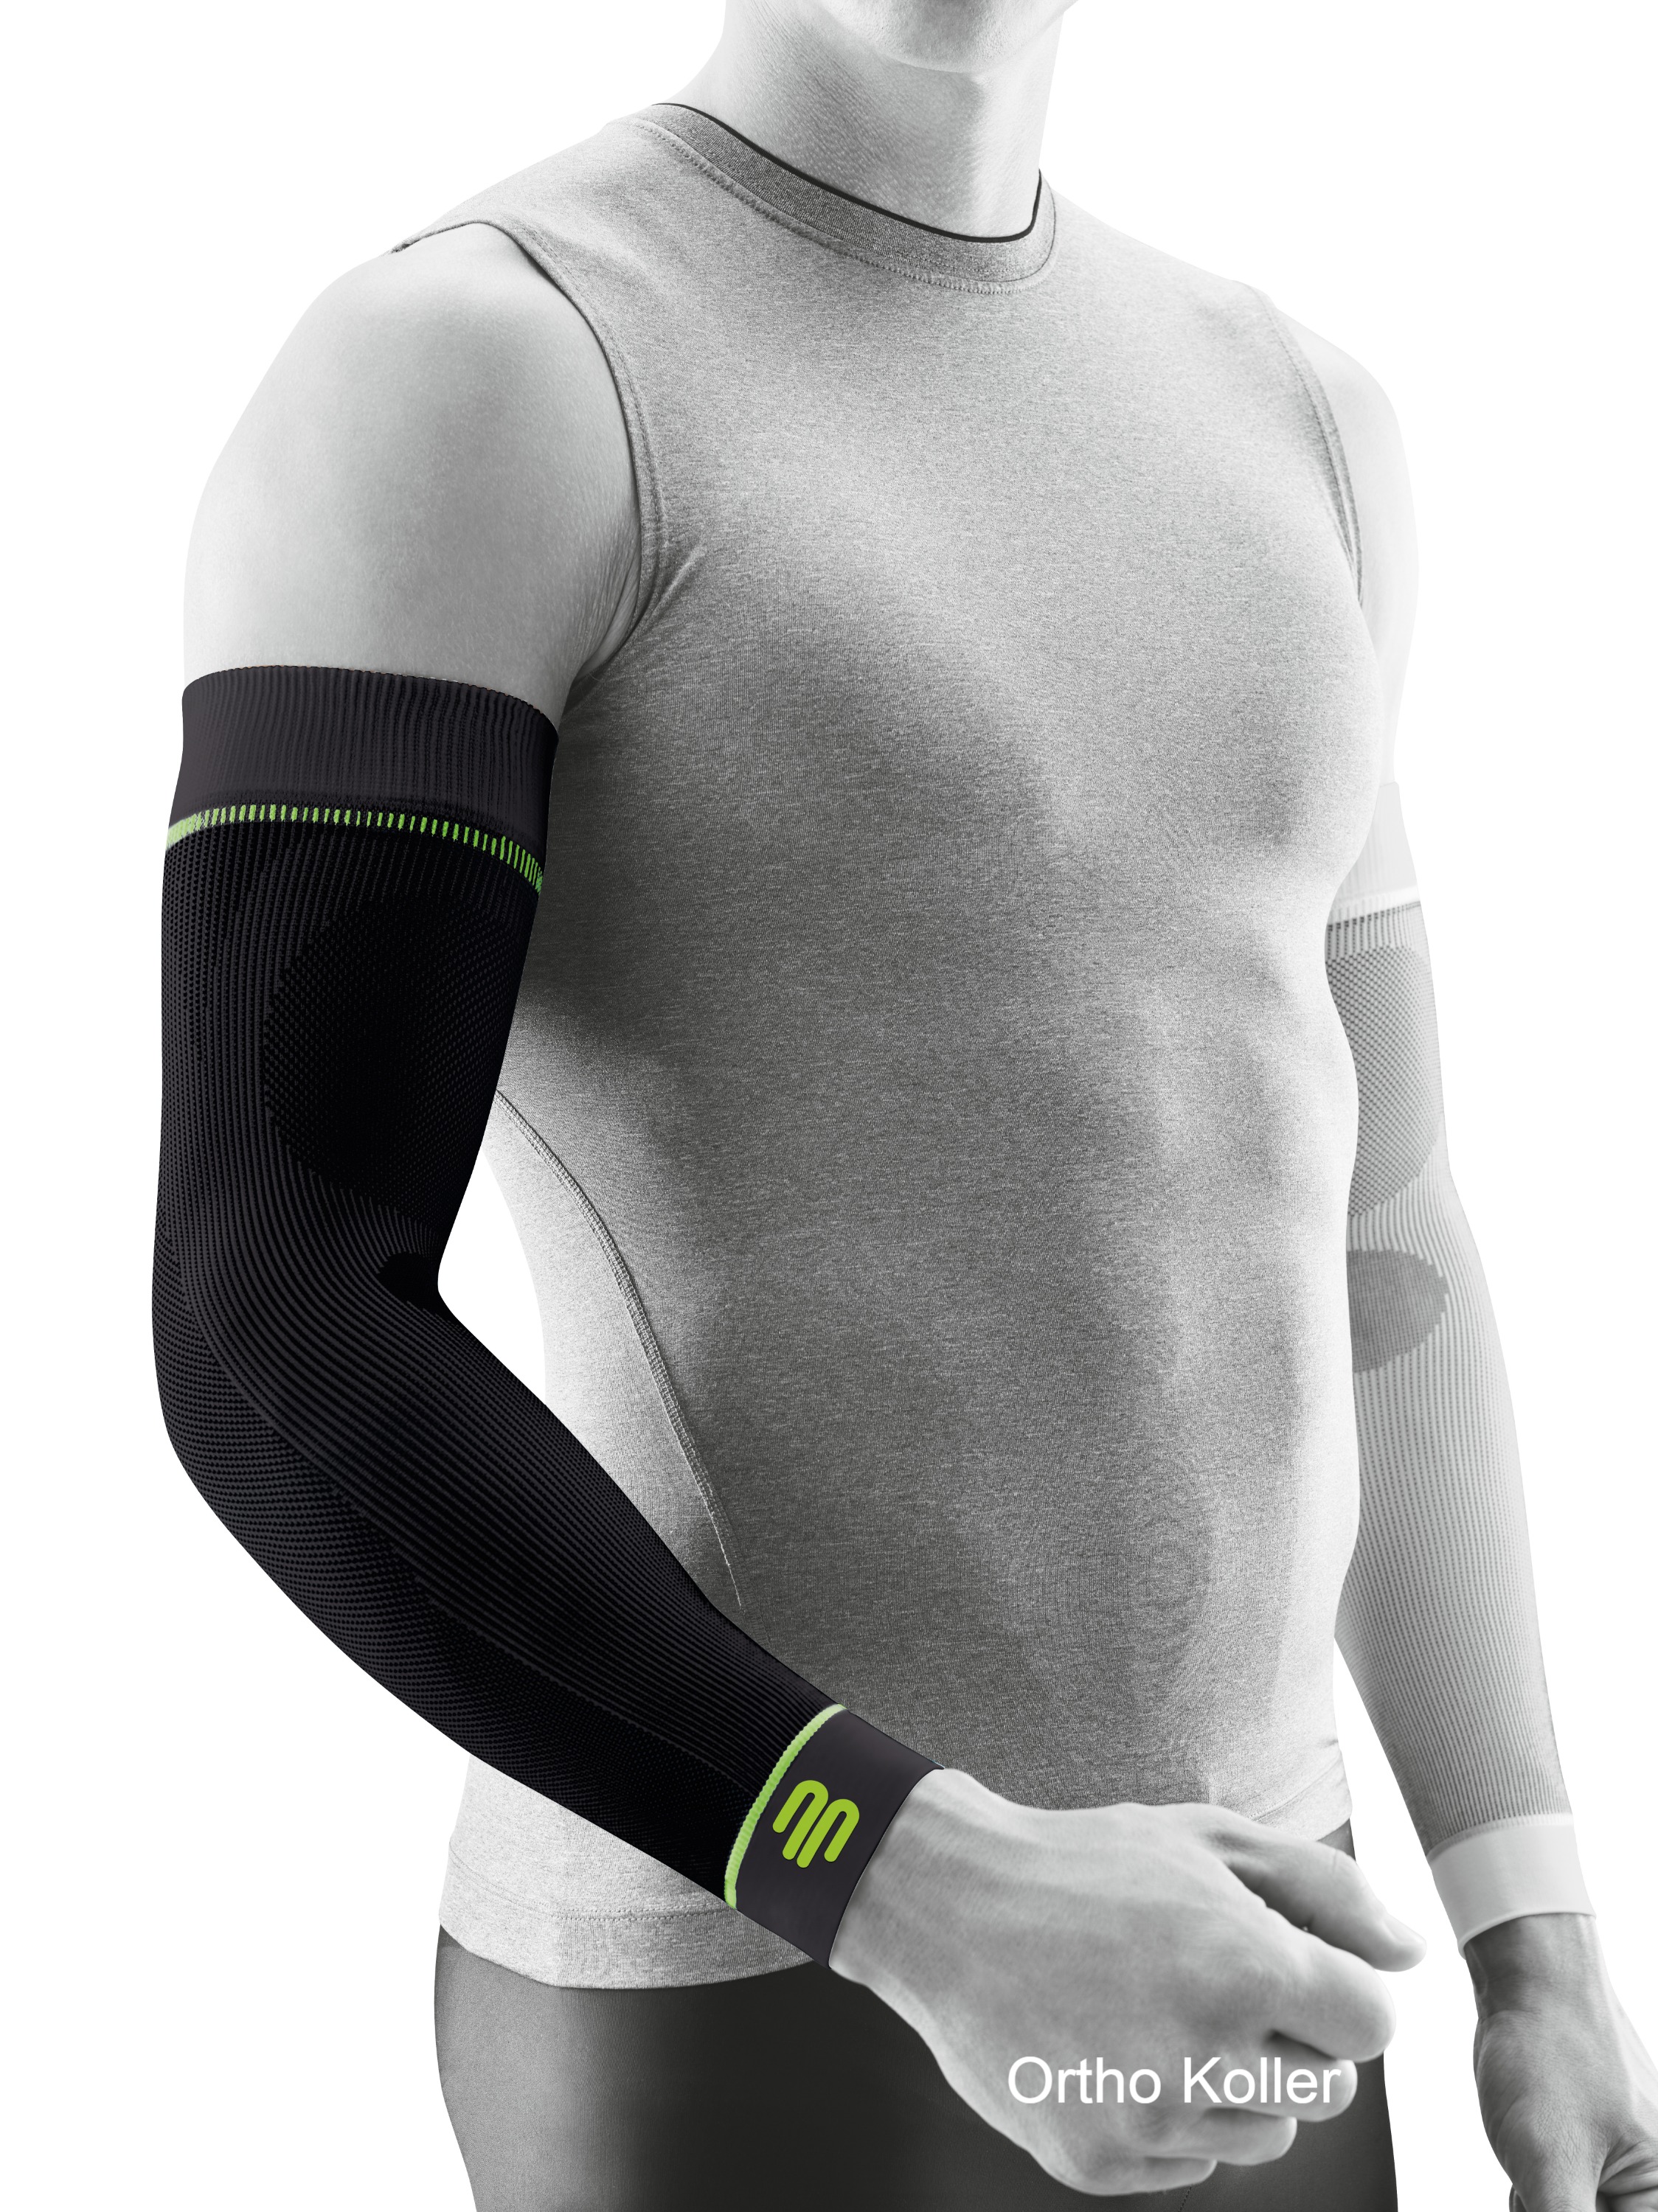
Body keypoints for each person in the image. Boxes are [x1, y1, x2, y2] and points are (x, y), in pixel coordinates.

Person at [156, 2, 1658, 2205]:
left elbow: (1381, 1240)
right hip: (748, 1972)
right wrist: (912, 1878)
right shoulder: (485, 364)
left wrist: (1538, 1939)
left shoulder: (1304, 421)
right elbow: (270, 1318)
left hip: (1257, 1949)